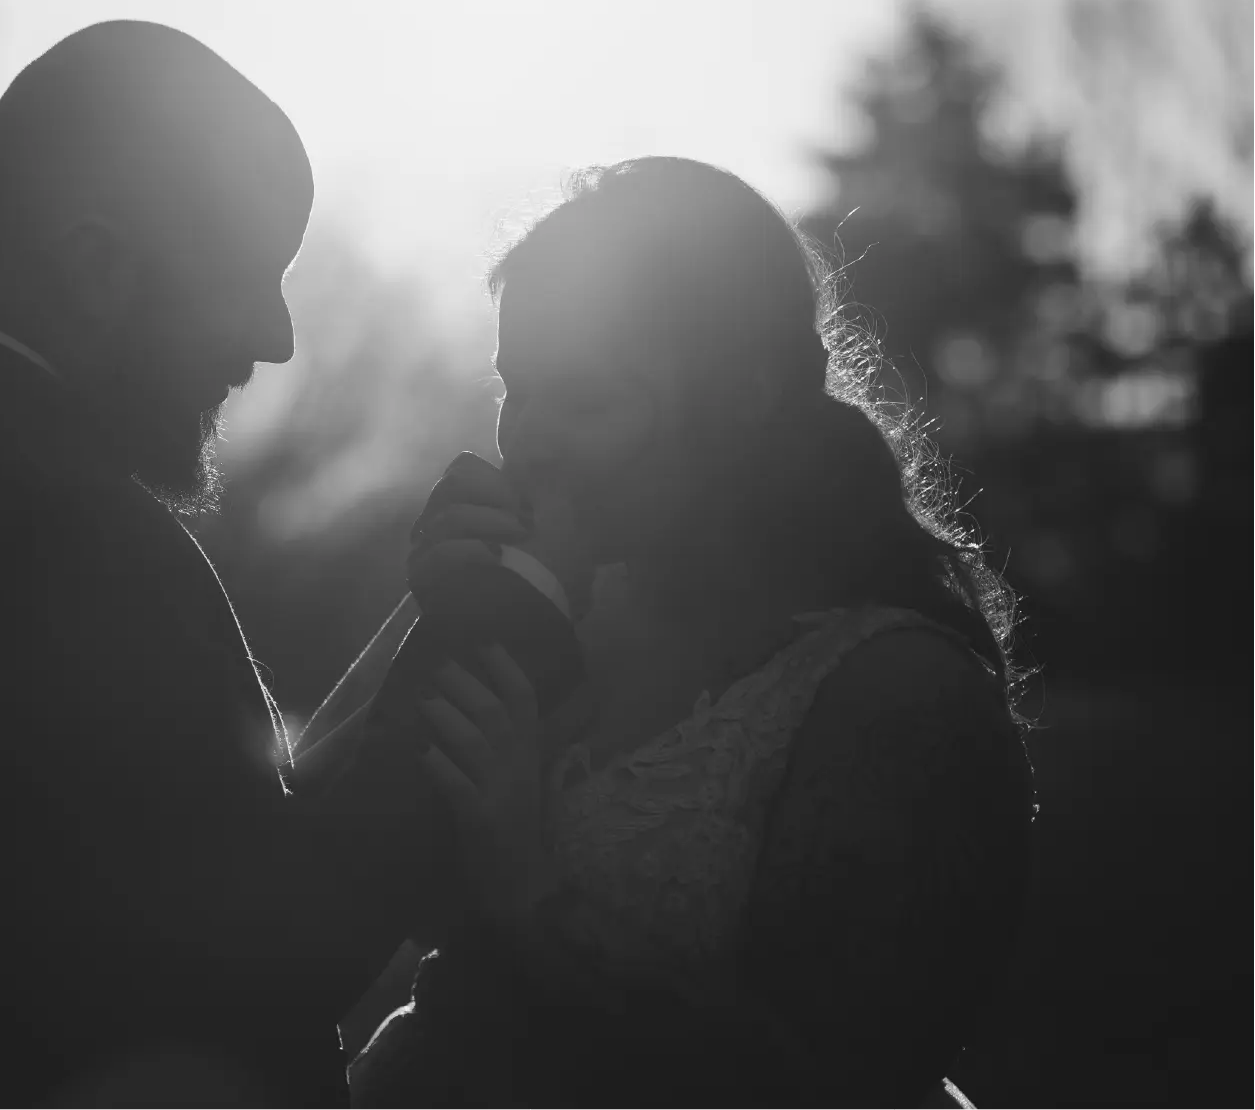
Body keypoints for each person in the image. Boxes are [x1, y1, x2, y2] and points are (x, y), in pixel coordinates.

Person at [0, 20, 450, 1108]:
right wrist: (483, 670)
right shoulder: (20, 524)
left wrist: (431, 615)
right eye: (248, 276)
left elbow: (222, 834)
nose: (275, 337)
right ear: (96, 265)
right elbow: (260, 957)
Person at [304, 158, 1038, 1108]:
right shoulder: (545, 605)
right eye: (515, 390)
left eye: (585, 399)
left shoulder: (899, 697)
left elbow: (844, 1075)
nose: (527, 441)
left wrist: (530, 896)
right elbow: (296, 903)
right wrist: (446, 627)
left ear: (748, 396)